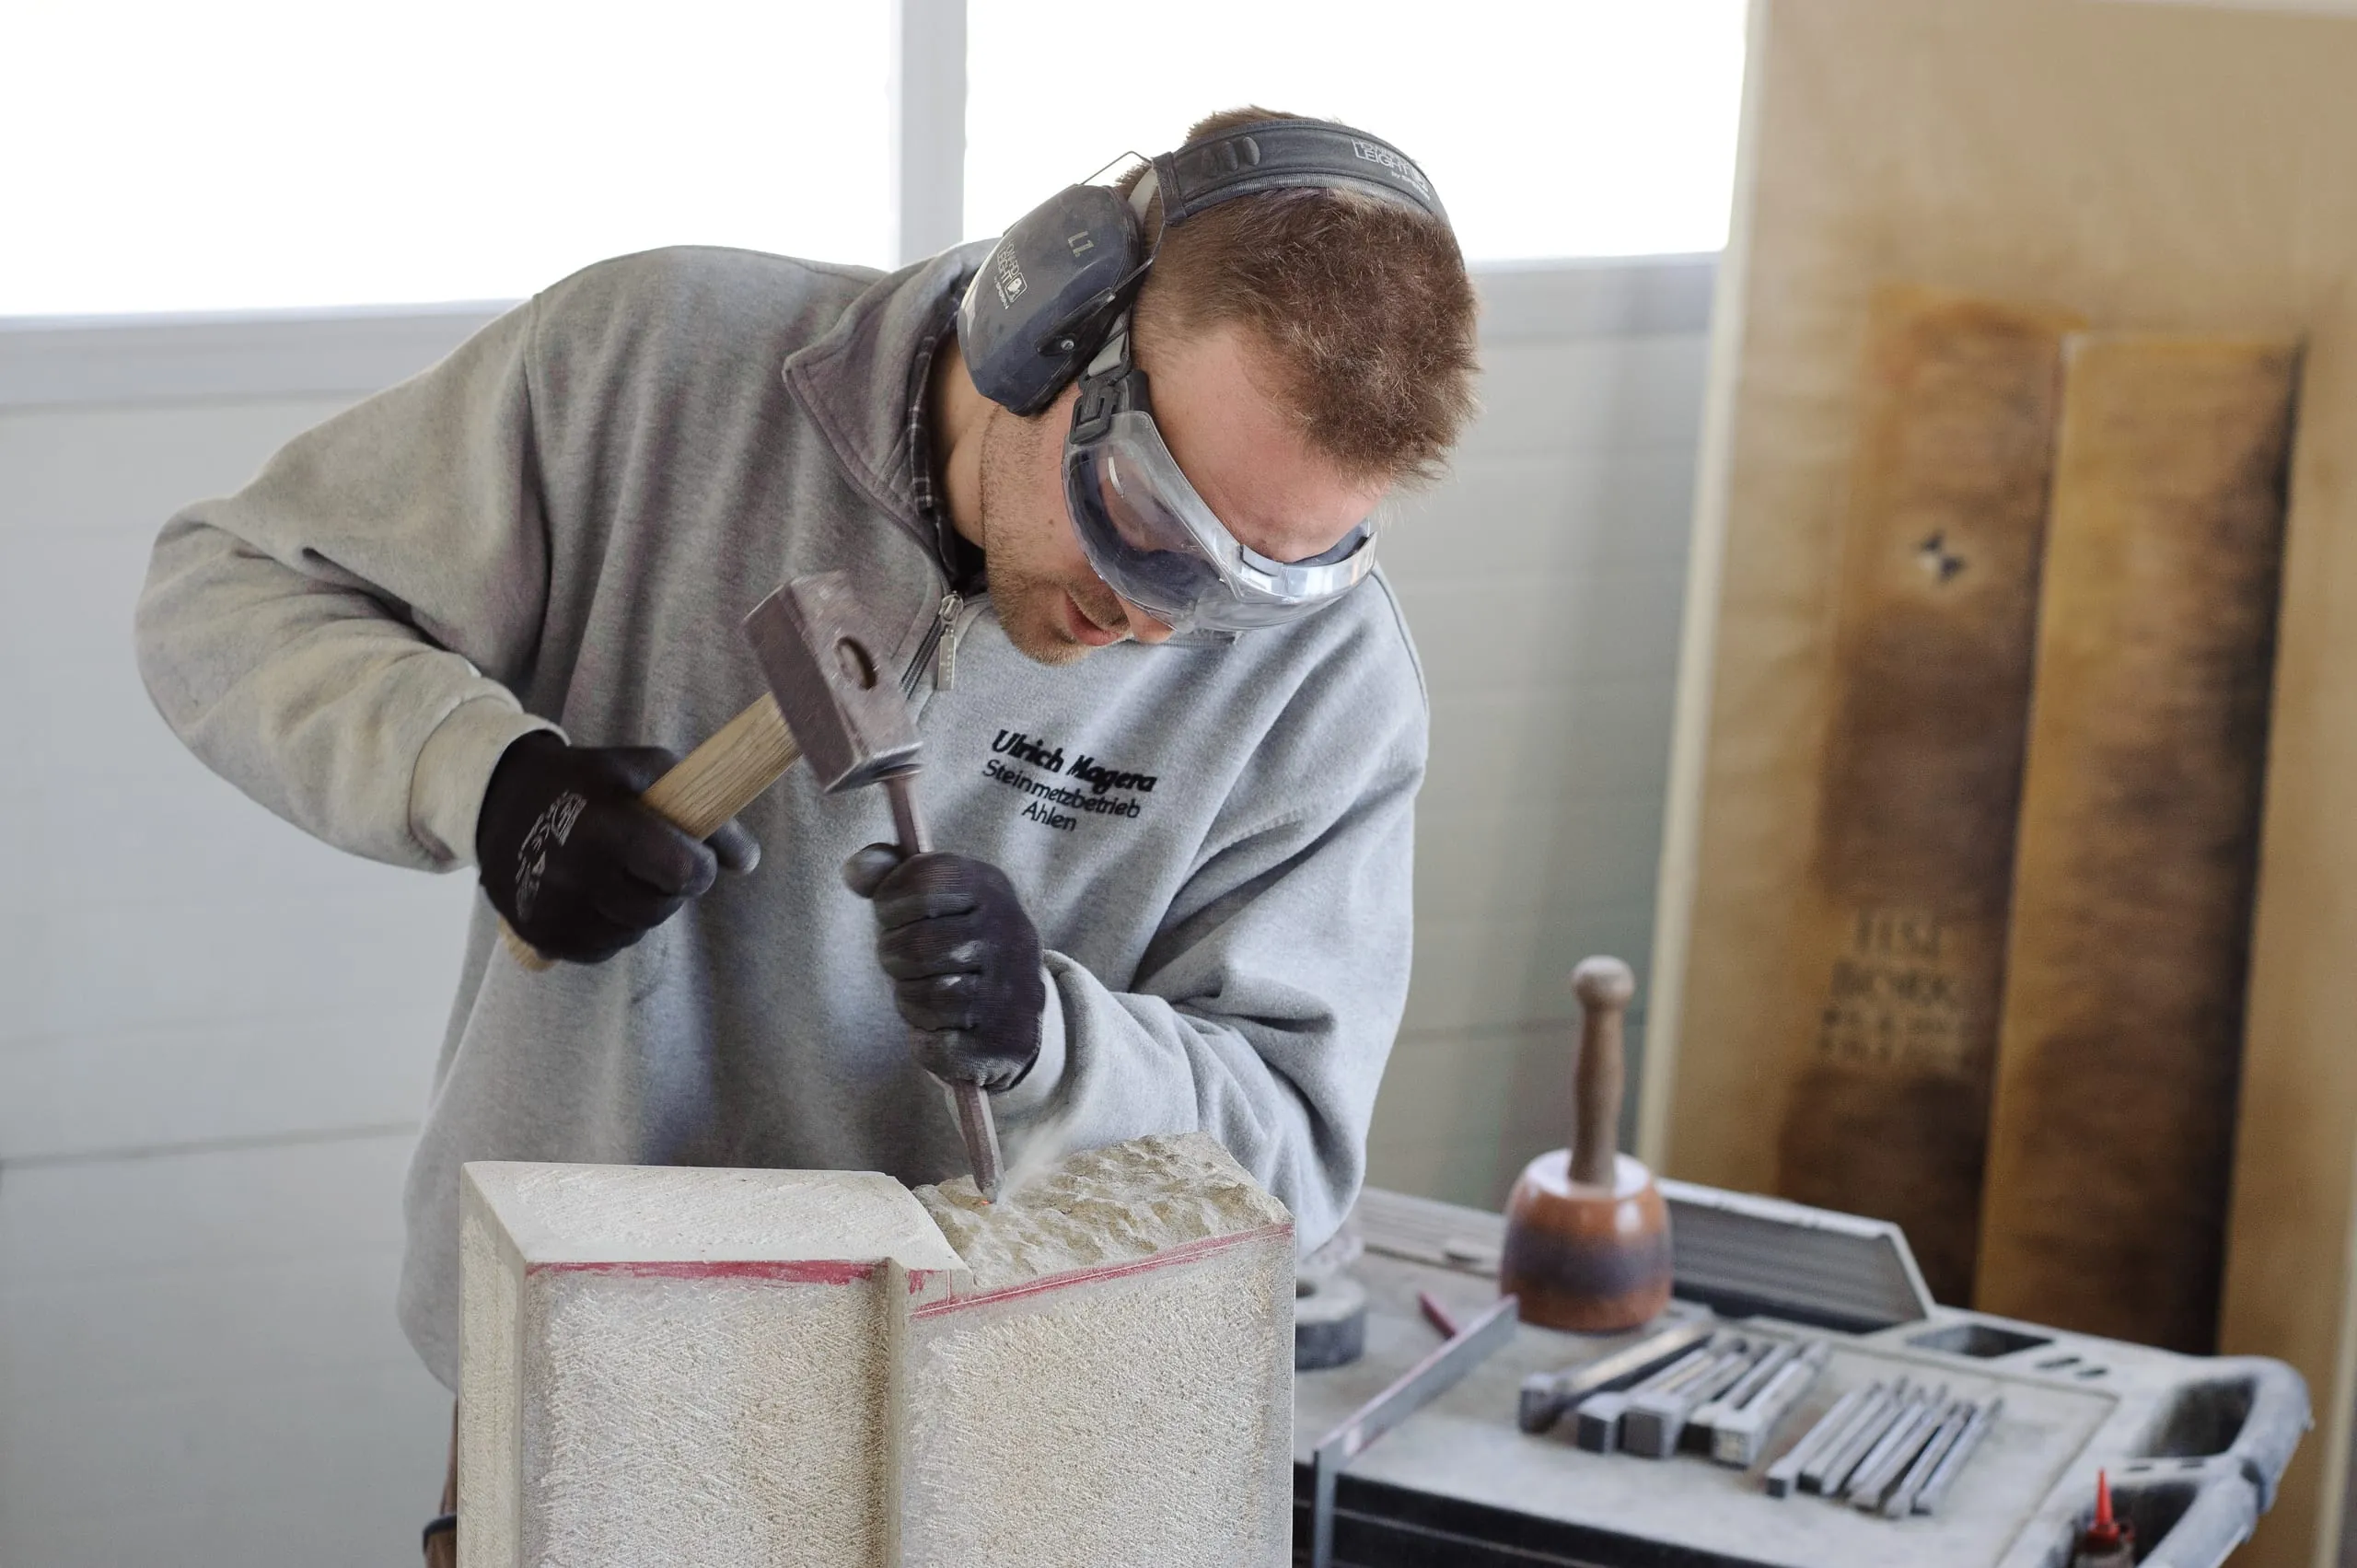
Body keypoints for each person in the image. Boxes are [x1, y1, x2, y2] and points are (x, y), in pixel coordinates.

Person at [133, 106, 1477, 1560]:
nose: (1158, 620)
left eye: (1252, 584)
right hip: (579, 1373)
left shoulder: (1329, 688)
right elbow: (227, 595)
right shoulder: (652, 367)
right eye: (1148, 517)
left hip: (1000, 1440)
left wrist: (1057, 1042)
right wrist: (492, 782)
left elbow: (1290, 1160)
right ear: (1047, 324)